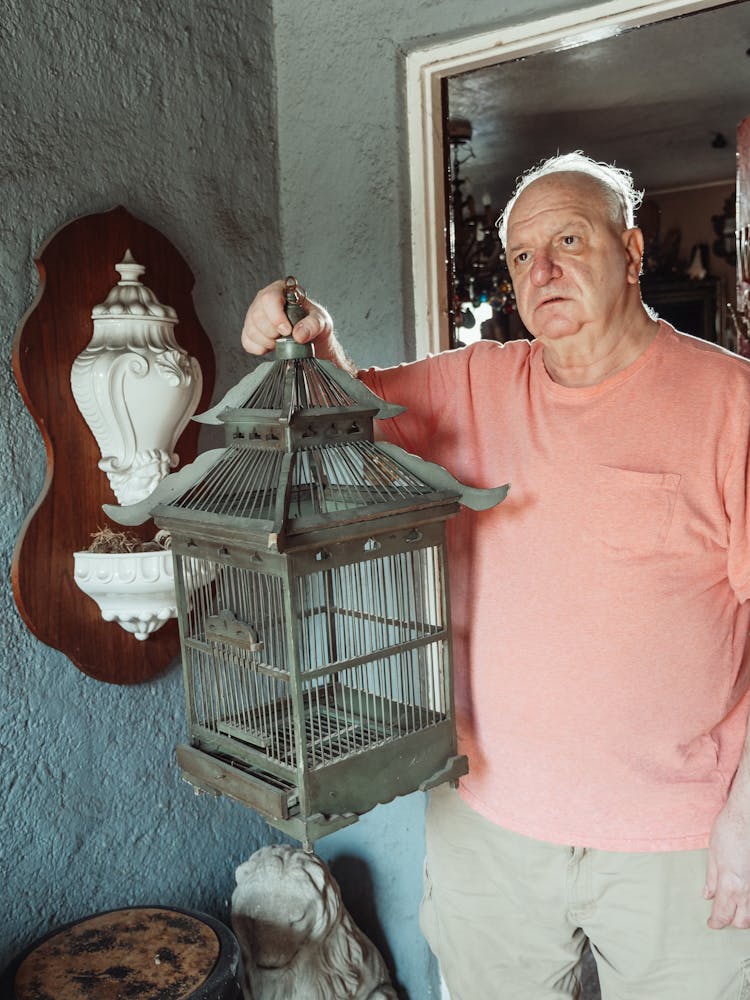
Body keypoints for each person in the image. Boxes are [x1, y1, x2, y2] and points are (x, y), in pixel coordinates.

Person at [241, 152, 750, 999]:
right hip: (489, 821)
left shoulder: (731, 403)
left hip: (680, 835)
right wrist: (312, 338)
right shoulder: (477, 383)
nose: (540, 269)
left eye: (568, 239)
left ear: (631, 252)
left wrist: (746, 816)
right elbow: (345, 415)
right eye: (519, 254)